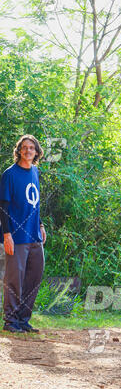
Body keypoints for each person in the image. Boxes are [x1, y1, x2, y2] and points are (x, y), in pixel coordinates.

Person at [0, 134, 46, 333]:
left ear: (36, 152)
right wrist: (6, 234)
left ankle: (23, 320)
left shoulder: (35, 171)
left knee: (34, 277)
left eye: (32, 148)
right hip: (16, 237)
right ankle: (10, 322)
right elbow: (3, 206)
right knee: (13, 280)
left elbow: (34, 204)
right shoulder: (10, 174)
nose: (28, 150)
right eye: (24, 147)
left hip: (34, 235)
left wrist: (41, 225)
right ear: (19, 150)